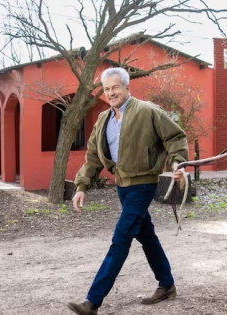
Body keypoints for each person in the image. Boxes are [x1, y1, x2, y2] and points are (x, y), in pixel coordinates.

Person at [67, 67, 189, 315]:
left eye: (115, 87)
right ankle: (166, 284)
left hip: (143, 186)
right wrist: (82, 186)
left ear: (126, 87)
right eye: (107, 89)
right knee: (147, 236)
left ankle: (92, 302)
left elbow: (175, 138)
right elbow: (93, 156)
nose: (111, 93)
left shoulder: (147, 110)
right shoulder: (103, 119)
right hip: (122, 187)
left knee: (120, 239)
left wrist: (178, 163)